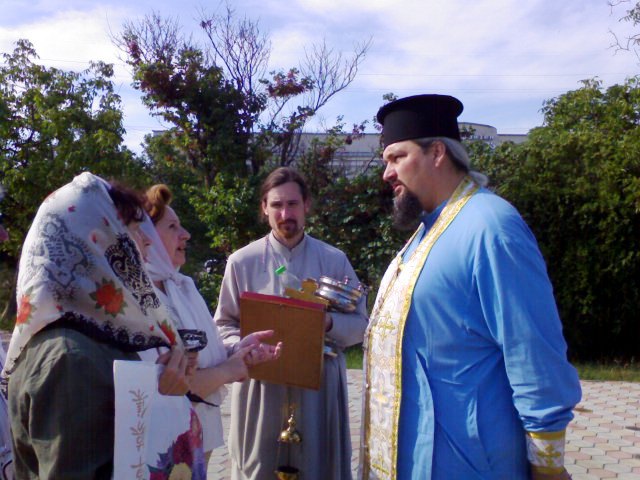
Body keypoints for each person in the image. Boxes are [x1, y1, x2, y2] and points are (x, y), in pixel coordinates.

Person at [360, 95, 582, 480]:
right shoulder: (423, 234)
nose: (387, 173)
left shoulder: (491, 226)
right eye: (386, 161)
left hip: (471, 465)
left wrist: (547, 466)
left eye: (397, 157)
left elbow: (533, 352)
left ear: (437, 152)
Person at [0, 172, 196, 479]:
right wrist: (161, 404)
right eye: (132, 229)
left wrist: (161, 393)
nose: (147, 240)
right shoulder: (69, 358)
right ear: (96, 242)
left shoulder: (88, 338)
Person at [214, 167, 368, 480]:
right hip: (261, 389)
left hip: (318, 391)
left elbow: (362, 325)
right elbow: (223, 324)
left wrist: (326, 322)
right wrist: (243, 347)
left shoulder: (334, 260)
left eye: (293, 204)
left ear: (306, 205)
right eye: (277, 205)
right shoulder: (242, 261)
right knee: (258, 468)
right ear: (264, 208)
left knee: (318, 468)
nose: (285, 214)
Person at [142, 184, 281, 463]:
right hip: (163, 445)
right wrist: (229, 370)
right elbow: (166, 384)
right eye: (172, 227)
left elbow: (206, 352)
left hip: (201, 435)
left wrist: (238, 351)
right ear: (146, 236)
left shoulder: (182, 287)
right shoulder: (138, 298)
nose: (186, 234)